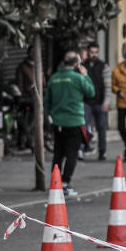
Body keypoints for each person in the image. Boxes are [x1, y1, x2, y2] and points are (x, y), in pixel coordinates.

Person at [44, 53, 94, 196]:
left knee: (58, 153)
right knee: (72, 153)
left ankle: (55, 182)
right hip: (75, 121)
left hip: (58, 122)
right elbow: (91, 92)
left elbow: (47, 102)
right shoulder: (78, 78)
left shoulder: (54, 78)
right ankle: (65, 183)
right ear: (76, 65)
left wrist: (52, 115)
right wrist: (85, 75)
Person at [82, 43, 111, 160]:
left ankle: (102, 151)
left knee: (102, 127)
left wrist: (106, 102)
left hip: (100, 101)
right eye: (92, 52)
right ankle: (83, 148)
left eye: (96, 52)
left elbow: (108, 85)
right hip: (86, 102)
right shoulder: (83, 66)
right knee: (83, 126)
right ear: (88, 52)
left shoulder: (104, 66)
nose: (94, 54)